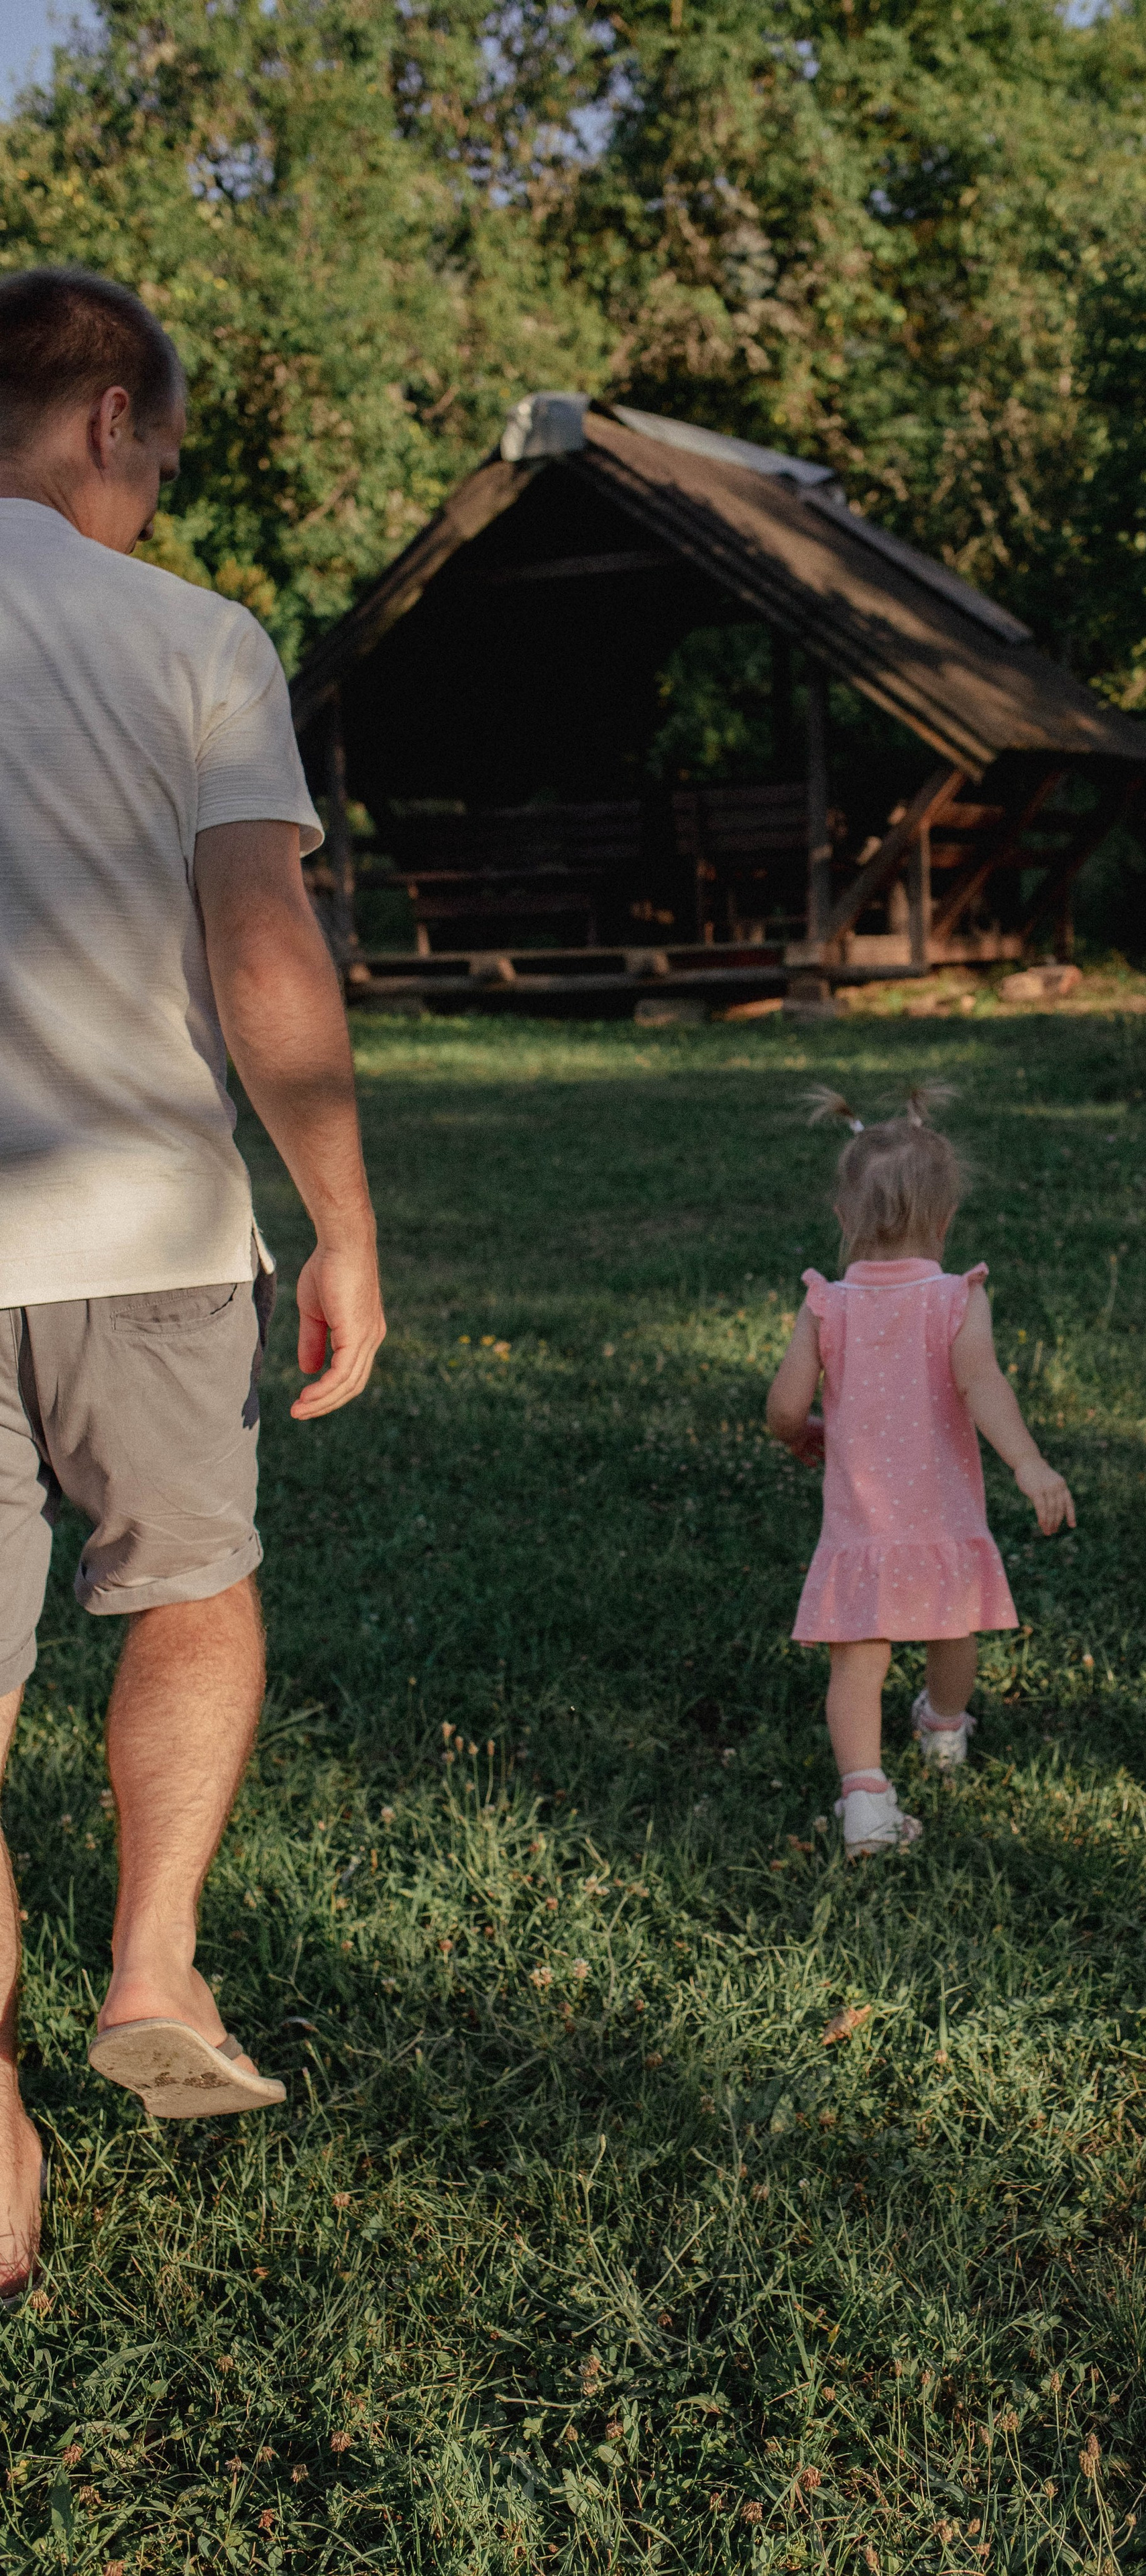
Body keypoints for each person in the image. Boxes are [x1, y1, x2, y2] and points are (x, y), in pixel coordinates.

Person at [0, 268, 386, 2298]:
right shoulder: (191, 640)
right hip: (144, 1232)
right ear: (106, 422)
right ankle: (152, 1956)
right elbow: (263, 946)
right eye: (159, 450)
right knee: (186, 1588)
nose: (157, 484)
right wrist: (343, 1212)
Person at [765, 1085, 1074, 1854]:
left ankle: (866, 1800)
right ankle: (942, 1733)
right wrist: (1028, 1463)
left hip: (862, 1528)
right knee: (952, 1627)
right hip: (941, 1518)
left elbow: (783, 1402)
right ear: (945, 1220)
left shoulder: (823, 1305)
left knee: (858, 1660)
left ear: (843, 1219)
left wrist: (797, 1433)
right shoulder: (955, 1300)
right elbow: (982, 1384)